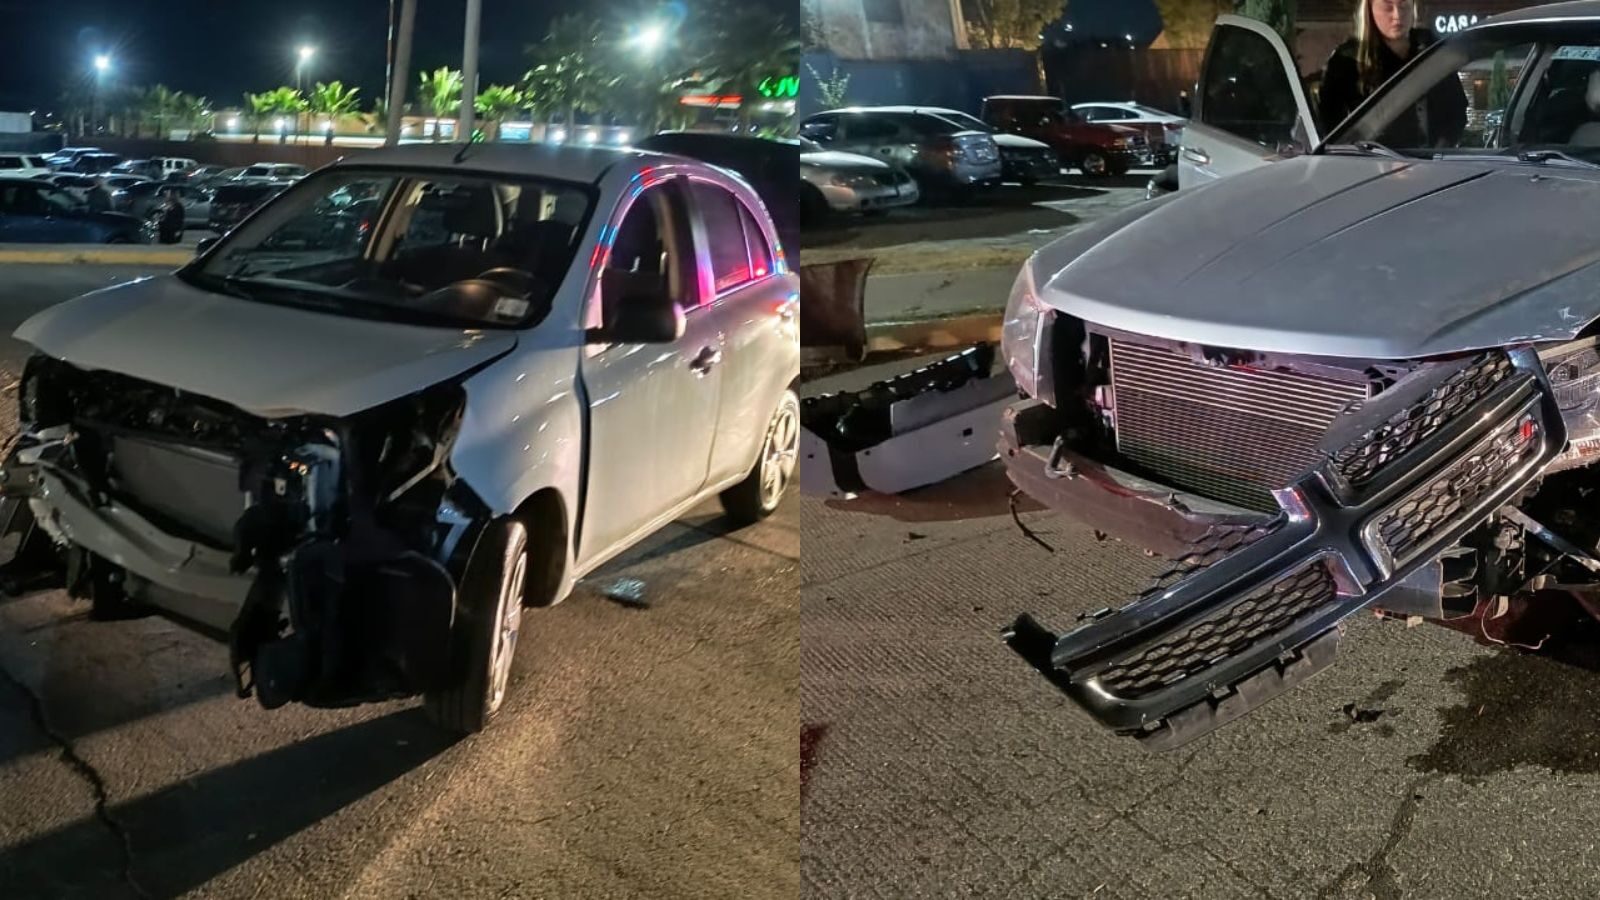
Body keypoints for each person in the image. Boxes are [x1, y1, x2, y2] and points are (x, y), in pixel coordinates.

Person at [1318, 0, 1467, 147]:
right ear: (1369, 9)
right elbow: (1328, 124)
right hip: (1372, 163)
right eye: (1387, 7)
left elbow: (1457, 108)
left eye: (1404, 6)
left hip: (1430, 162)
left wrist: (1441, 148)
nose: (1397, 15)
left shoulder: (1430, 48)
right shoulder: (1348, 59)